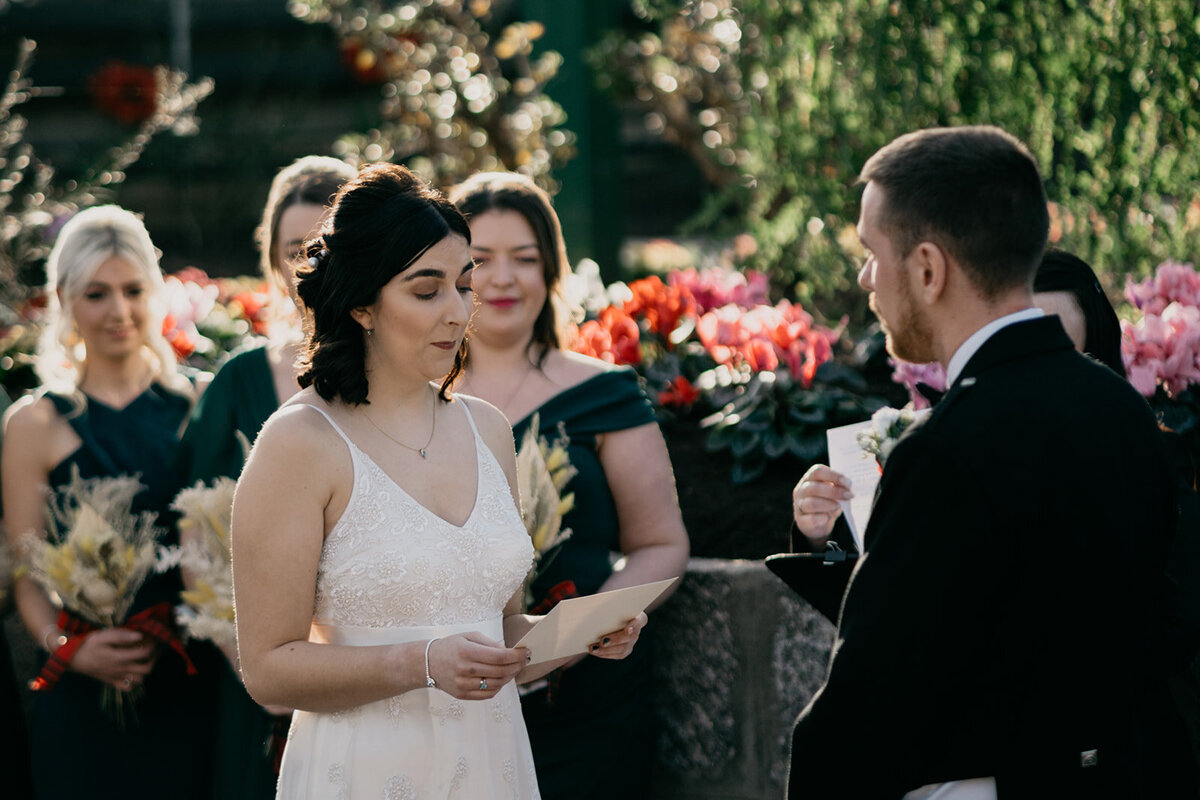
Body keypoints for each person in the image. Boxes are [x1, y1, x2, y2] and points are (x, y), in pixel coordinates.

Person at [785, 126, 1191, 798]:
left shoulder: (948, 447)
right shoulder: (1121, 411)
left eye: (868, 253)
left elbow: (864, 707)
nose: (863, 280)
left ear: (927, 269)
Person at [231, 163, 646, 799]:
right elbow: (267, 668)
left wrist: (585, 633)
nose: (458, 312)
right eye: (427, 292)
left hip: (490, 763)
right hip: (365, 773)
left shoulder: (487, 431)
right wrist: (420, 664)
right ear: (363, 303)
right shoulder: (298, 444)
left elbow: (499, 631)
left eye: (463, 284)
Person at [448, 171, 690, 799]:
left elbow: (660, 543)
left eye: (524, 259)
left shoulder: (605, 392)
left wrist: (566, 640)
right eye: (480, 260)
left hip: (588, 700)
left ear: (550, 272)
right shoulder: (415, 403)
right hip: (447, 696)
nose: (502, 278)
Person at [2, 205, 216, 799]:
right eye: (97, 294)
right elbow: (26, 570)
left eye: (132, 290)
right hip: (82, 701)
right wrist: (70, 649)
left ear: (156, 293)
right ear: (66, 300)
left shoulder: (200, 404)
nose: (118, 311)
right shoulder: (35, 423)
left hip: (191, 683)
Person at [177, 154, 357, 798]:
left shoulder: (406, 381)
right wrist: (256, 664)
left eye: (323, 245)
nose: (306, 263)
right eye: (291, 249)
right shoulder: (237, 382)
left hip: (374, 671)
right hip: (255, 677)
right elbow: (196, 535)